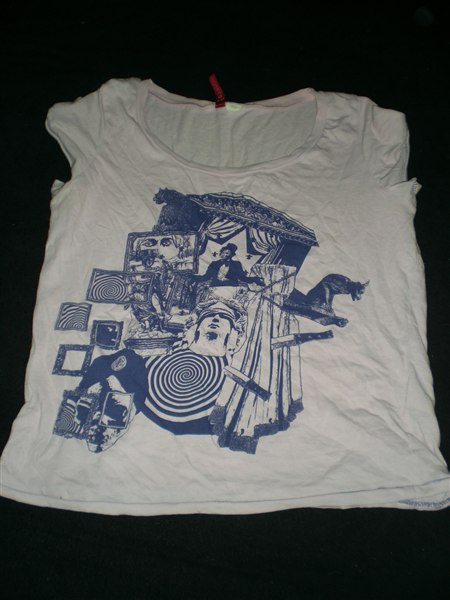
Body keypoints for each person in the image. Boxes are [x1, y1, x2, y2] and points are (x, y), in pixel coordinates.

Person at [194, 243, 264, 287]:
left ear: (231, 255)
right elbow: (206, 277)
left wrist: (256, 280)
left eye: (227, 253)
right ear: (220, 252)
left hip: (231, 287)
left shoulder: (237, 264)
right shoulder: (214, 263)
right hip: (215, 286)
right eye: (223, 252)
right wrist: (193, 277)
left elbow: (242, 277)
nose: (224, 254)